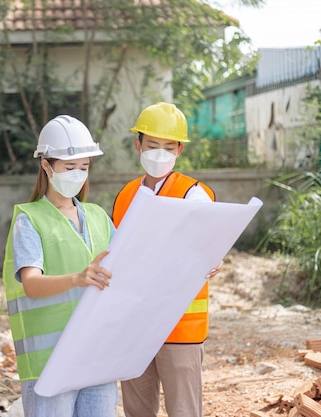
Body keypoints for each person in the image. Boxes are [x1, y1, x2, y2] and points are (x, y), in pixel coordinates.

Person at [2, 115, 119, 417]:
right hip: (50, 363)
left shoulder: (97, 216)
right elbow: (31, 283)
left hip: (97, 355)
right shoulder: (30, 219)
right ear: (46, 165)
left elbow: (127, 269)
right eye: (70, 167)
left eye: (84, 167)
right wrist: (79, 278)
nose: (78, 174)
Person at [112, 102, 222, 417]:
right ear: (139, 145)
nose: (159, 153)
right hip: (134, 324)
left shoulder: (193, 194)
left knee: (183, 411)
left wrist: (215, 259)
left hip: (179, 328)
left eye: (167, 146)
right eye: (152, 145)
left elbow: (211, 246)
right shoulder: (126, 196)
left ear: (179, 150)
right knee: (137, 410)